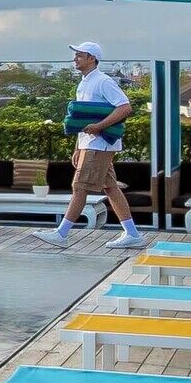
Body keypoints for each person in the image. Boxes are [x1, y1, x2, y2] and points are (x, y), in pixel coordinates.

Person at [49, 43, 143, 245]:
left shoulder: (103, 82)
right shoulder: (84, 83)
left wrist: (100, 126)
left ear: (92, 58)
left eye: (79, 56)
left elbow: (125, 107)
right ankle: (132, 234)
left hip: (99, 145)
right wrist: (77, 147)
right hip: (89, 144)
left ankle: (62, 234)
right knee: (110, 187)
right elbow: (82, 118)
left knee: (79, 186)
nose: (75, 59)